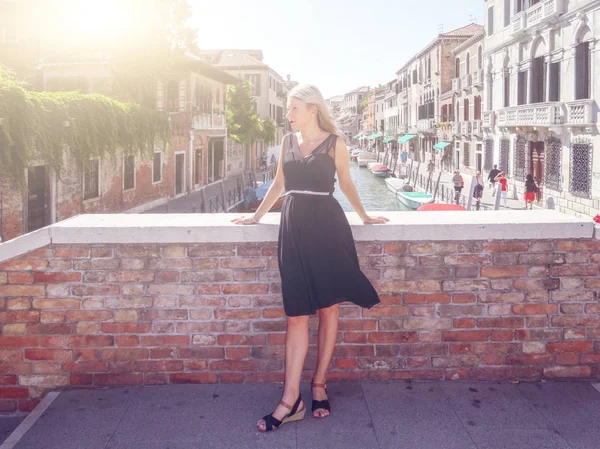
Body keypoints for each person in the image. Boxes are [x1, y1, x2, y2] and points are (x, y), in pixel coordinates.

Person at [231, 84, 388, 433]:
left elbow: (346, 184)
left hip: (328, 228)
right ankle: (291, 399)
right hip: (294, 227)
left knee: (328, 308)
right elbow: (277, 185)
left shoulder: (336, 144)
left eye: (294, 109)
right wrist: (255, 217)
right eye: (289, 109)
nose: (289, 115)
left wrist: (364, 216)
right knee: (296, 314)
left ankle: (318, 384)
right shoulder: (288, 142)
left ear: (312, 109)